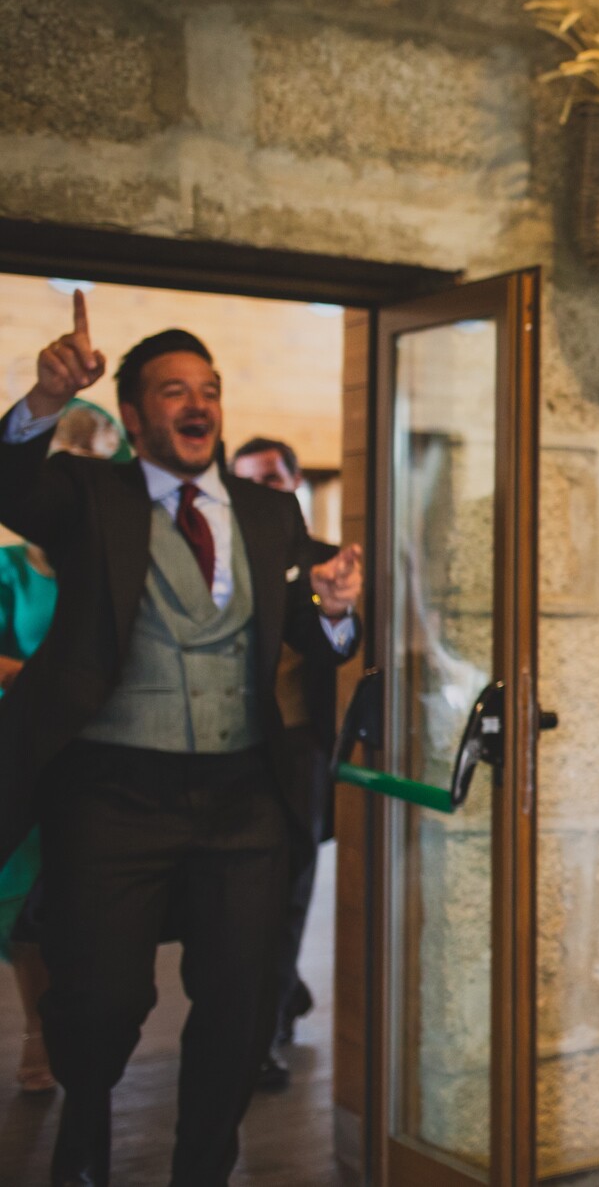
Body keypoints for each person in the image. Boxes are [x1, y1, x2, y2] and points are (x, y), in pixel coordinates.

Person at [0, 296, 363, 1187]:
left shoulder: (266, 513)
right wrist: (43, 400)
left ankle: (205, 1166)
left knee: (242, 1007)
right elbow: (8, 484)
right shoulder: (91, 498)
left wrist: (339, 611)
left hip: (244, 799)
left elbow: (316, 634)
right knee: (101, 1002)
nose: (197, 405)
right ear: (132, 414)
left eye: (209, 389)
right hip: (112, 793)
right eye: (172, 391)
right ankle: (85, 1119)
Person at [0, 402, 130, 1095]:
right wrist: (44, 678)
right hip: (29, 743)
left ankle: (85, 1032)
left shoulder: (111, 564)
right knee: (25, 897)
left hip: (103, 749)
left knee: (89, 895)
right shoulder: (9, 569)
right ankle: (34, 1028)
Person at [229, 436, 340, 1093]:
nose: (264, 491)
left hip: (300, 747)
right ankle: (278, 994)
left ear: (295, 480)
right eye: (249, 481)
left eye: (272, 477)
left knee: (291, 891)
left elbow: (347, 640)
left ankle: (267, 1027)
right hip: (232, 749)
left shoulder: (326, 561)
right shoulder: (219, 559)